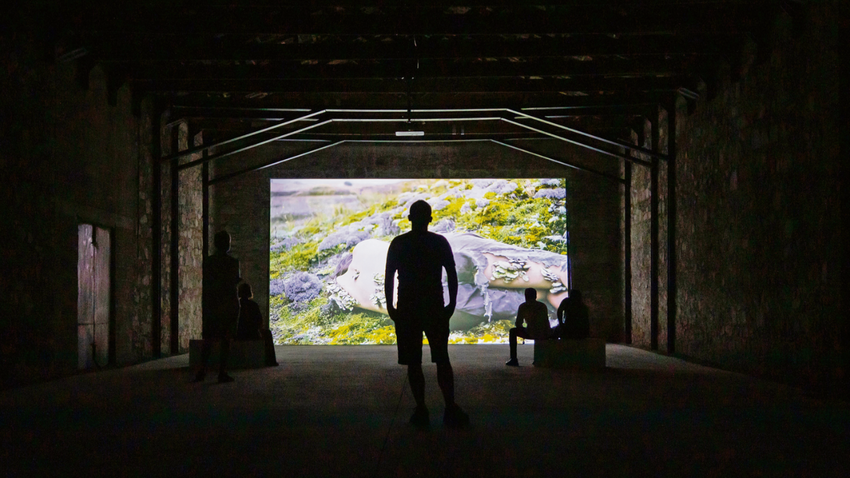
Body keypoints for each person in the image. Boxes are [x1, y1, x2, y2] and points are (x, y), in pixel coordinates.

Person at [384, 200, 469, 429]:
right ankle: (449, 407)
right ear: (430, 219)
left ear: (409, 218)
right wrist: (450, 305)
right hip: (434, 308)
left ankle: (421, 408)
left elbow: (389, 277)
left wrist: (391, 307)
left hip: (408, 310)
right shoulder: (439, 243)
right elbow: (451, 274)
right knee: (442, 359)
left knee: (414, 362)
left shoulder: (399, 244)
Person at [195, 231, 241, 383]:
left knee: (208, 340)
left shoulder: (208, 262)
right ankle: (222, 371)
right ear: (227, 244)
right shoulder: (233, 263)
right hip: (227, 304)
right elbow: (233, 282)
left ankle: (202, 371)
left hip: (212, 304)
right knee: (225, 340)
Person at [506, 288, 554, 366]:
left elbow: (518, 323)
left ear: (526, 296)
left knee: (512, 331)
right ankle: (545, 358)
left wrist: (523, 328)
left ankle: (514, 359)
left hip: (530, 332)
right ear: (535, 296)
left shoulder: (523, 306)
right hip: (544, 332)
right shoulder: (542, 306)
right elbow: (545, 322)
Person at [236, 282, 279, 367]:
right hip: (251, 333)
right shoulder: (253, 305)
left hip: (238, 333)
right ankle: (270, 361)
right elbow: (259, 321)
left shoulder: (237, 305)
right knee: (267, 334)